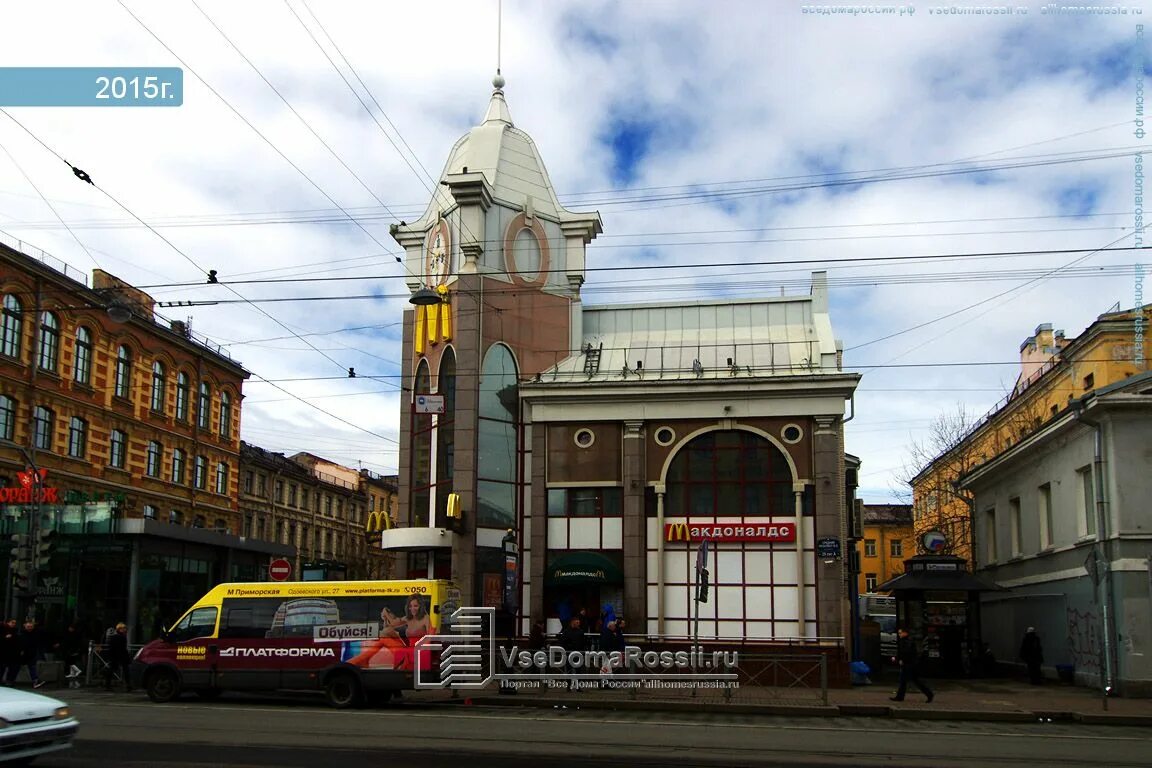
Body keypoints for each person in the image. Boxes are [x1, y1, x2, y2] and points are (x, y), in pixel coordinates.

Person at [345, 594, 430, 670]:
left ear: (421, 606)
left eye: (416, 606)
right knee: (386, 631)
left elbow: (430, 638)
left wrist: (386, 614)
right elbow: (393, 623)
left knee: (383, 639)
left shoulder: (426, 618)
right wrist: (385, 617)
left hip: (417, 651)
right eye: (410, 606)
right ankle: (364, 659)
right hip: (408, 648)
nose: (412, 609)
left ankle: (361, 659)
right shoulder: (408, 618)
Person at [890, 628, 933, 703]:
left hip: (908, 664)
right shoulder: (908, 641)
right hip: (911, 663)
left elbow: (905, 652)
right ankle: (929, 694)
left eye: (901, 633)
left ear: (905, 633)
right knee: (915, 681)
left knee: (904, 680)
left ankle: (900, 697)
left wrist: (901, 659)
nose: (899, 634)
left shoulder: (905, 641)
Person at [14, 620, 45, 689]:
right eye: (28, 626)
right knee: (16, 667)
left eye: (31, 626)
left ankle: (35, 681)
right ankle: (10, 680)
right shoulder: (21, 633)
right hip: (22, 653)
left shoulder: (35, 633)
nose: (29, 628)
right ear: (24, 626)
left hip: (31, 654)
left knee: (32, 667)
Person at [557, 617, 585, 691]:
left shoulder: (580, 631)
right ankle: (569, 686)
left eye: (579, 623)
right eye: (577, 623)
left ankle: (578, 686)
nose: (578, 624)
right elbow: (562, 642)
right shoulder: (567, 631)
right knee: (569, 670)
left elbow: (583, 642)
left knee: (578, 670)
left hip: (578, 653)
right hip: (569, 653)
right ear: (572, 623)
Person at [104, 622, 132, 692]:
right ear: (119, 629)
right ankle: (128, 685)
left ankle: (108, 685)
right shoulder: (120, 637)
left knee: (113, 669)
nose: (125, 630)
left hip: (115, 656)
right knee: (124, 670)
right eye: (124, 629)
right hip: (118, 655)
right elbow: (122, 648)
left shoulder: (114, 636)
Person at [0, 619, 19, 685]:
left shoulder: (15, 631)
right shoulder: (3, 629)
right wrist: (5, 637)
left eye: (14, 623)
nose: (13, 624)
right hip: (3, 652)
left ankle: (9, 680)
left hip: (12, 652)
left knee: (12, 667)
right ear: (8, 623)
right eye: (12, 622)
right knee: (2, 667)